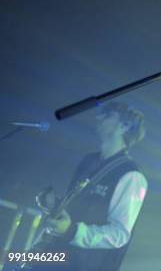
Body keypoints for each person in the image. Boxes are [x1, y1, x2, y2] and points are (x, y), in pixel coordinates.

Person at [32, 101, 148, 271]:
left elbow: (119, 235)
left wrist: (72, 231)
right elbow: (77, 209)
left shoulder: (132, 176)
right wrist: (54, 205)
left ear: (125, 126)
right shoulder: (89, 161)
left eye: (107, 115)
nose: (98, 117)